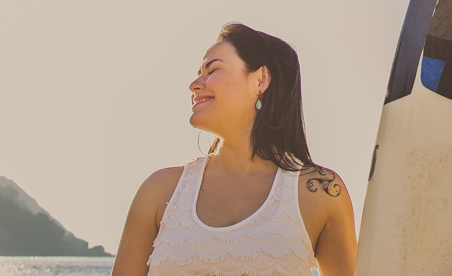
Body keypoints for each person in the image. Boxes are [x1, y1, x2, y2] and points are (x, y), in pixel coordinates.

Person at [112, 23, 356, 276]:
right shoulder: (160, 190)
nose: (195, 84)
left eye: (212, 70)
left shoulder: (320, 192)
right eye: (199, 73)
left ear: (261, 79)